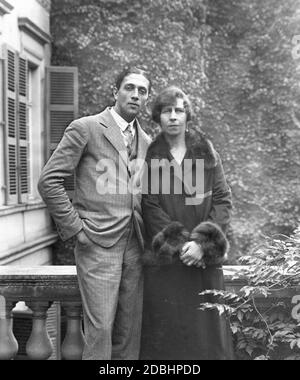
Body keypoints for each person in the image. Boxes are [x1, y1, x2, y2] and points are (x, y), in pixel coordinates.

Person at [38, 67, 152, 360]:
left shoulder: (148, 142)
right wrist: (76, 229)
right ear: (115, 92)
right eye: (129, 88)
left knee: (129, 331)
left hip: (136, 246)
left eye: (142, 91)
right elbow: (49, 181)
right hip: (97, 243)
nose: (136, 95)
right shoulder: (86, 128)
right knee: (100, 330)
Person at [140, 86, 234, 360]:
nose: (173, 116)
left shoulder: (206, 151)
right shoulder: (152, 154)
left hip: (204, 263)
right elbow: (150, 205)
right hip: (168, 264)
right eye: (167, 111)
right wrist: (183, 246)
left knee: (208, 342)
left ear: (187, 115)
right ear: (158, 116)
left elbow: (222, 199)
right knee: (169, 344)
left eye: (178, 110)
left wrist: (202, 245)